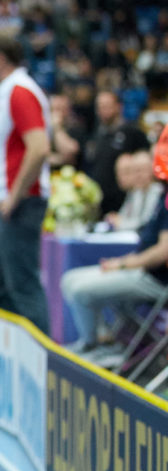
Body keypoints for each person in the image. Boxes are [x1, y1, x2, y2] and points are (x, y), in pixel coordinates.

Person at [0, 35, 52, 335]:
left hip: (19, 205)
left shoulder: (20, 92)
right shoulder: (1, 93)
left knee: (23, 288)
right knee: (3, 290)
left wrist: (13, 196)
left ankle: (43, 367)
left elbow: (39, 147)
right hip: (3, 204)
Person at [60, 182, 168, 357]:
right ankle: (106, 341)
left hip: (156, 280)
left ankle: (93, 345)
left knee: (80, 290)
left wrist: (123, 265)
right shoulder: (163, 196)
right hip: (142, 270)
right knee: (69, 279)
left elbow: (163, 251)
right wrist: (123, 262)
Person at [85, 90, 149, 219]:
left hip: (126, 199)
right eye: (100, 107)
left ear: (119, 106)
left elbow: (145, 161)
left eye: (107, 106)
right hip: (100, 202)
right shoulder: (95, 135)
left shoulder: (132, 132)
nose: (103, 111)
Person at [104, 151, 162, 232]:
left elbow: (145, 223)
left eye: (141, 170)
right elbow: (122, 217)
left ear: (152, 170)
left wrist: (120, 223)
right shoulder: (135, 192)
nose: (138, 175)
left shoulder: (159, 193)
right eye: (134, 171)